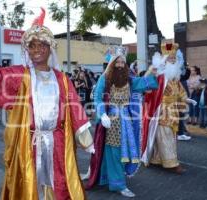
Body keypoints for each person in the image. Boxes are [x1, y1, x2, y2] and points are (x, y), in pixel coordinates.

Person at [0, 8, 94, 200]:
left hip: (57, 143)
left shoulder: (62, 79)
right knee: (29, 187)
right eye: (32, 46)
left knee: (60, 187)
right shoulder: (20, 76)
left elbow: (74, 109)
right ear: (27, 50)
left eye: (42, 45)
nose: (37, 49)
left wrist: (87, 141)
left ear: (50, 48)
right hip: (28, 145)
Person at [84, 46, 158, 197]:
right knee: (115, 152)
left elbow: (145, 83)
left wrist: (155, 72)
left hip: (127, 122)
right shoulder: (104, 79)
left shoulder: (129, 80)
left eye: (122, 63)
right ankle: (118, 184)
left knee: (120, 151)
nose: (119, 65)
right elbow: (98, 98)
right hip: (111, 122)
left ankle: (103, 177)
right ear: (112, 64)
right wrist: (103, 115)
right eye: (117, 62)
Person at [141, 42, 197, 174]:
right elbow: (145, 82)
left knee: (165, 136)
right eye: (170, 58)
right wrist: (152, 71)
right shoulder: (159, 75)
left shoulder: (174, 78)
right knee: (165, 136)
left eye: (174, 58)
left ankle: (157, 159)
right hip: (161, 111)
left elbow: (180, 92)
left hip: (173, 111)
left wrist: (187, 99)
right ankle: (171, 163)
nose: (173, 61)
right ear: (164, 60)